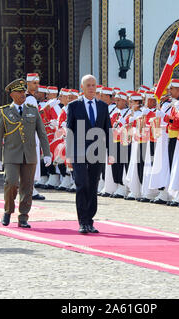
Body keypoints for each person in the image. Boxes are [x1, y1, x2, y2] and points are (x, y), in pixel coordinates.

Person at [0, 78, 52, 228]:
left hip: (30, 154)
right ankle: (8, 210)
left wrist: (47, 153)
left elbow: (42, 133)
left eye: (23, 92)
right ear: (12, 94)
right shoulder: (4, 111)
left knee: (27, 187)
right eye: (19, 92)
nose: (22, 94)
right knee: (11, 182)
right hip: (11, 155)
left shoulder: (33, 110)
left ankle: (23, 217)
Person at [66, 75, 114, 234]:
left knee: (93, 186)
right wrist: (68, 155)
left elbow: (108, 129)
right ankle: (82, 221)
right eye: (88, 85)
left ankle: (90, 221)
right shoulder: (74, 106)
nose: (92, 88)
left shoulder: (103, 106)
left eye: (94, 85)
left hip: (98, 152)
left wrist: (111, 152)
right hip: (78, 152)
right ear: (82, 87)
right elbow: (69, 131)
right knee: (82, 184)